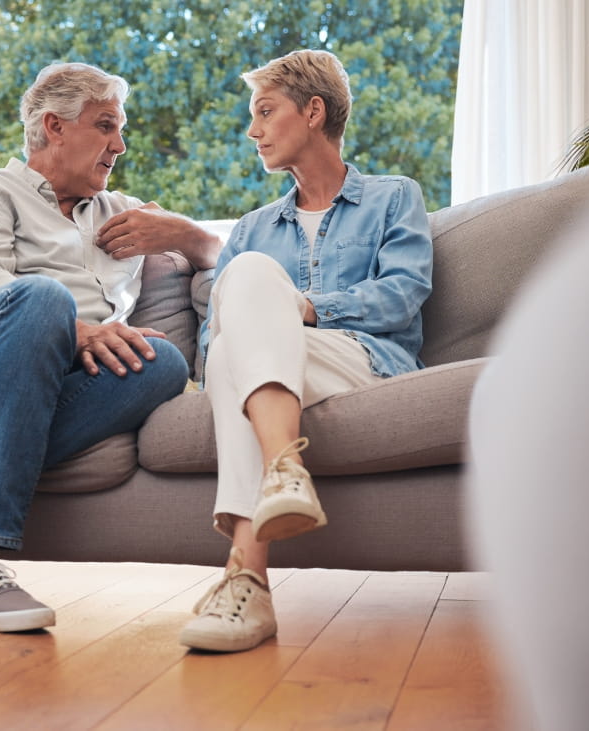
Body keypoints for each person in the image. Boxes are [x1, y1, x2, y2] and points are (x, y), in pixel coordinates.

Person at [0, 62, 213, 633]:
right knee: (43, 299)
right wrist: (78, 331)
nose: (120, 145)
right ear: (53, 126)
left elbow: (238, 262)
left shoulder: (126, 213)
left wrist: (187, 236)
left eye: (120, 130)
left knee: (164, 362)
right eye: (106, 126)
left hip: (56, 372)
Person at [176, 49, 434, 653]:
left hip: (359, 359)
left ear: (314, 111)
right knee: (244, 294)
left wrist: (307, 309)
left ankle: (245, 580)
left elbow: (402, 295)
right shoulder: (252, 228)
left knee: (250, 319)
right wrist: (259, 325)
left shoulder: (394, 197)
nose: (252, 129)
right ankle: (282, 478)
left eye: (266, 111)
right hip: (266, 366)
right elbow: (217, 336)